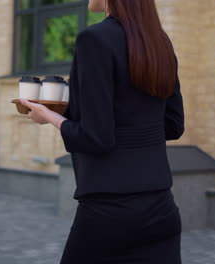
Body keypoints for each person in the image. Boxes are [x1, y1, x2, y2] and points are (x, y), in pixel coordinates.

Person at [19, 0, 184, 263]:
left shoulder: (93, 39)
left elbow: (96, 138)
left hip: (110, 213)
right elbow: (173, 125)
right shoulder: (160, 43)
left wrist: (48, 115)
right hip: (161, 209)